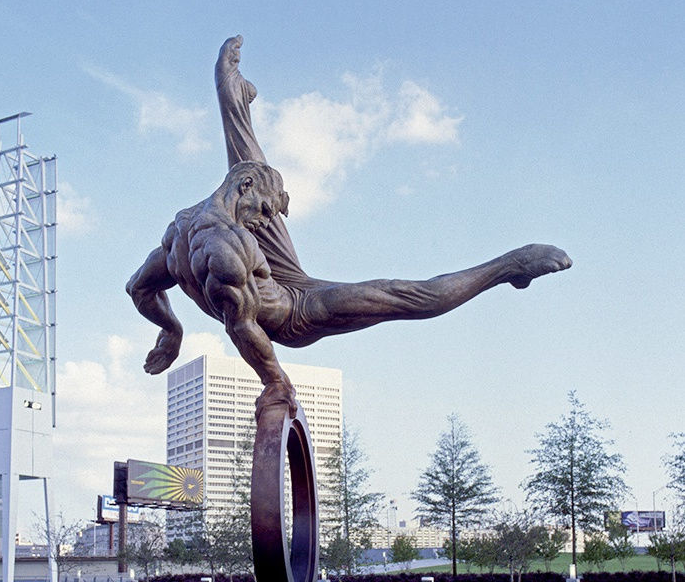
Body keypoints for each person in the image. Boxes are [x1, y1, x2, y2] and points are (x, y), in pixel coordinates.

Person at [127, 36, 571, 417]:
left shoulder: (182, 234)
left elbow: (140, 289)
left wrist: (172, 329)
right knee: (409, 296)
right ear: (244, 193)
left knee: (251, 166)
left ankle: (231, 93)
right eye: (264, 210)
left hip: (273, 275)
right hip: (295, 312)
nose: (270, 220)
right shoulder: (223, 250)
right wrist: (277, 382)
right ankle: (512, 266)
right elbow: (243, 327)